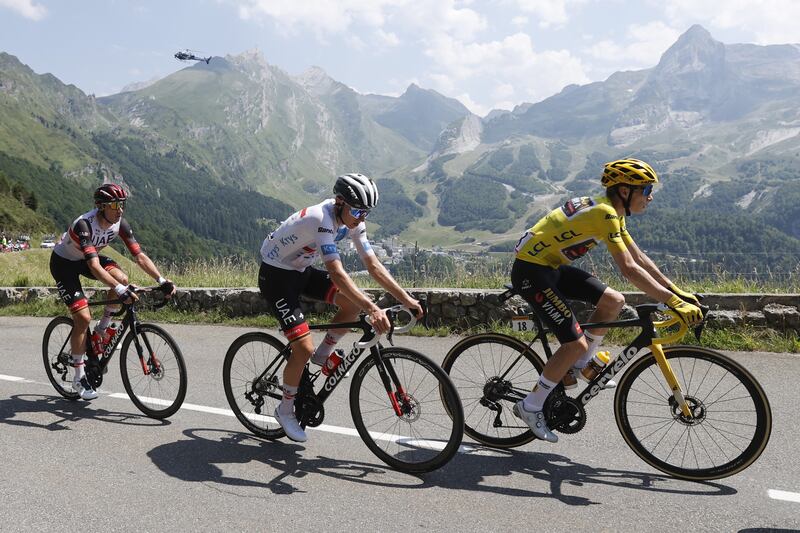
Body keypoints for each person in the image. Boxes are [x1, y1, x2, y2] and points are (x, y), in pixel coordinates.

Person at [510, 158, 703, 442]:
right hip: (531, 271)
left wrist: (678, 293)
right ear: (625, 191)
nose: (650, 196)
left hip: (549, 266)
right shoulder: (604, 213)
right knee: (573, 343)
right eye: (646, 189)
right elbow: (629, 268)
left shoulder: (612, 210)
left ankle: (581, 365)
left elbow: (640, 258)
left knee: (613, 300)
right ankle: (531, 405)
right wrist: (673, 303)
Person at [259, 173, 423, 442]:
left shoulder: (354, 221)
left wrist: (406, 299)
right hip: (277, 277)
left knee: (350, 304)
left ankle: (322, 356)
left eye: (366, 213)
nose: (361, 218)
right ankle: (285, 410)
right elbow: (336, 273)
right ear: (339, 202)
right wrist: (373, 308)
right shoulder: (320, 219)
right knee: (302, 347)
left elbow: (373, 266)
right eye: (358, 210)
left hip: (301, 270)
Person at [49, 183, 176, 400]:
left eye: (122, 204)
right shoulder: (84, 225)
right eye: (115, 205)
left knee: (122, 278)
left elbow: (139, 256)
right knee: (82, 317)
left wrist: (161, 280)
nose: (120, 210)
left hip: (89, 259)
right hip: (65, 264)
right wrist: (119, 290)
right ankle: (79, 377)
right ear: (101, 206)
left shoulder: (119, 224)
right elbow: (94, 267)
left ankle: (101, 329)